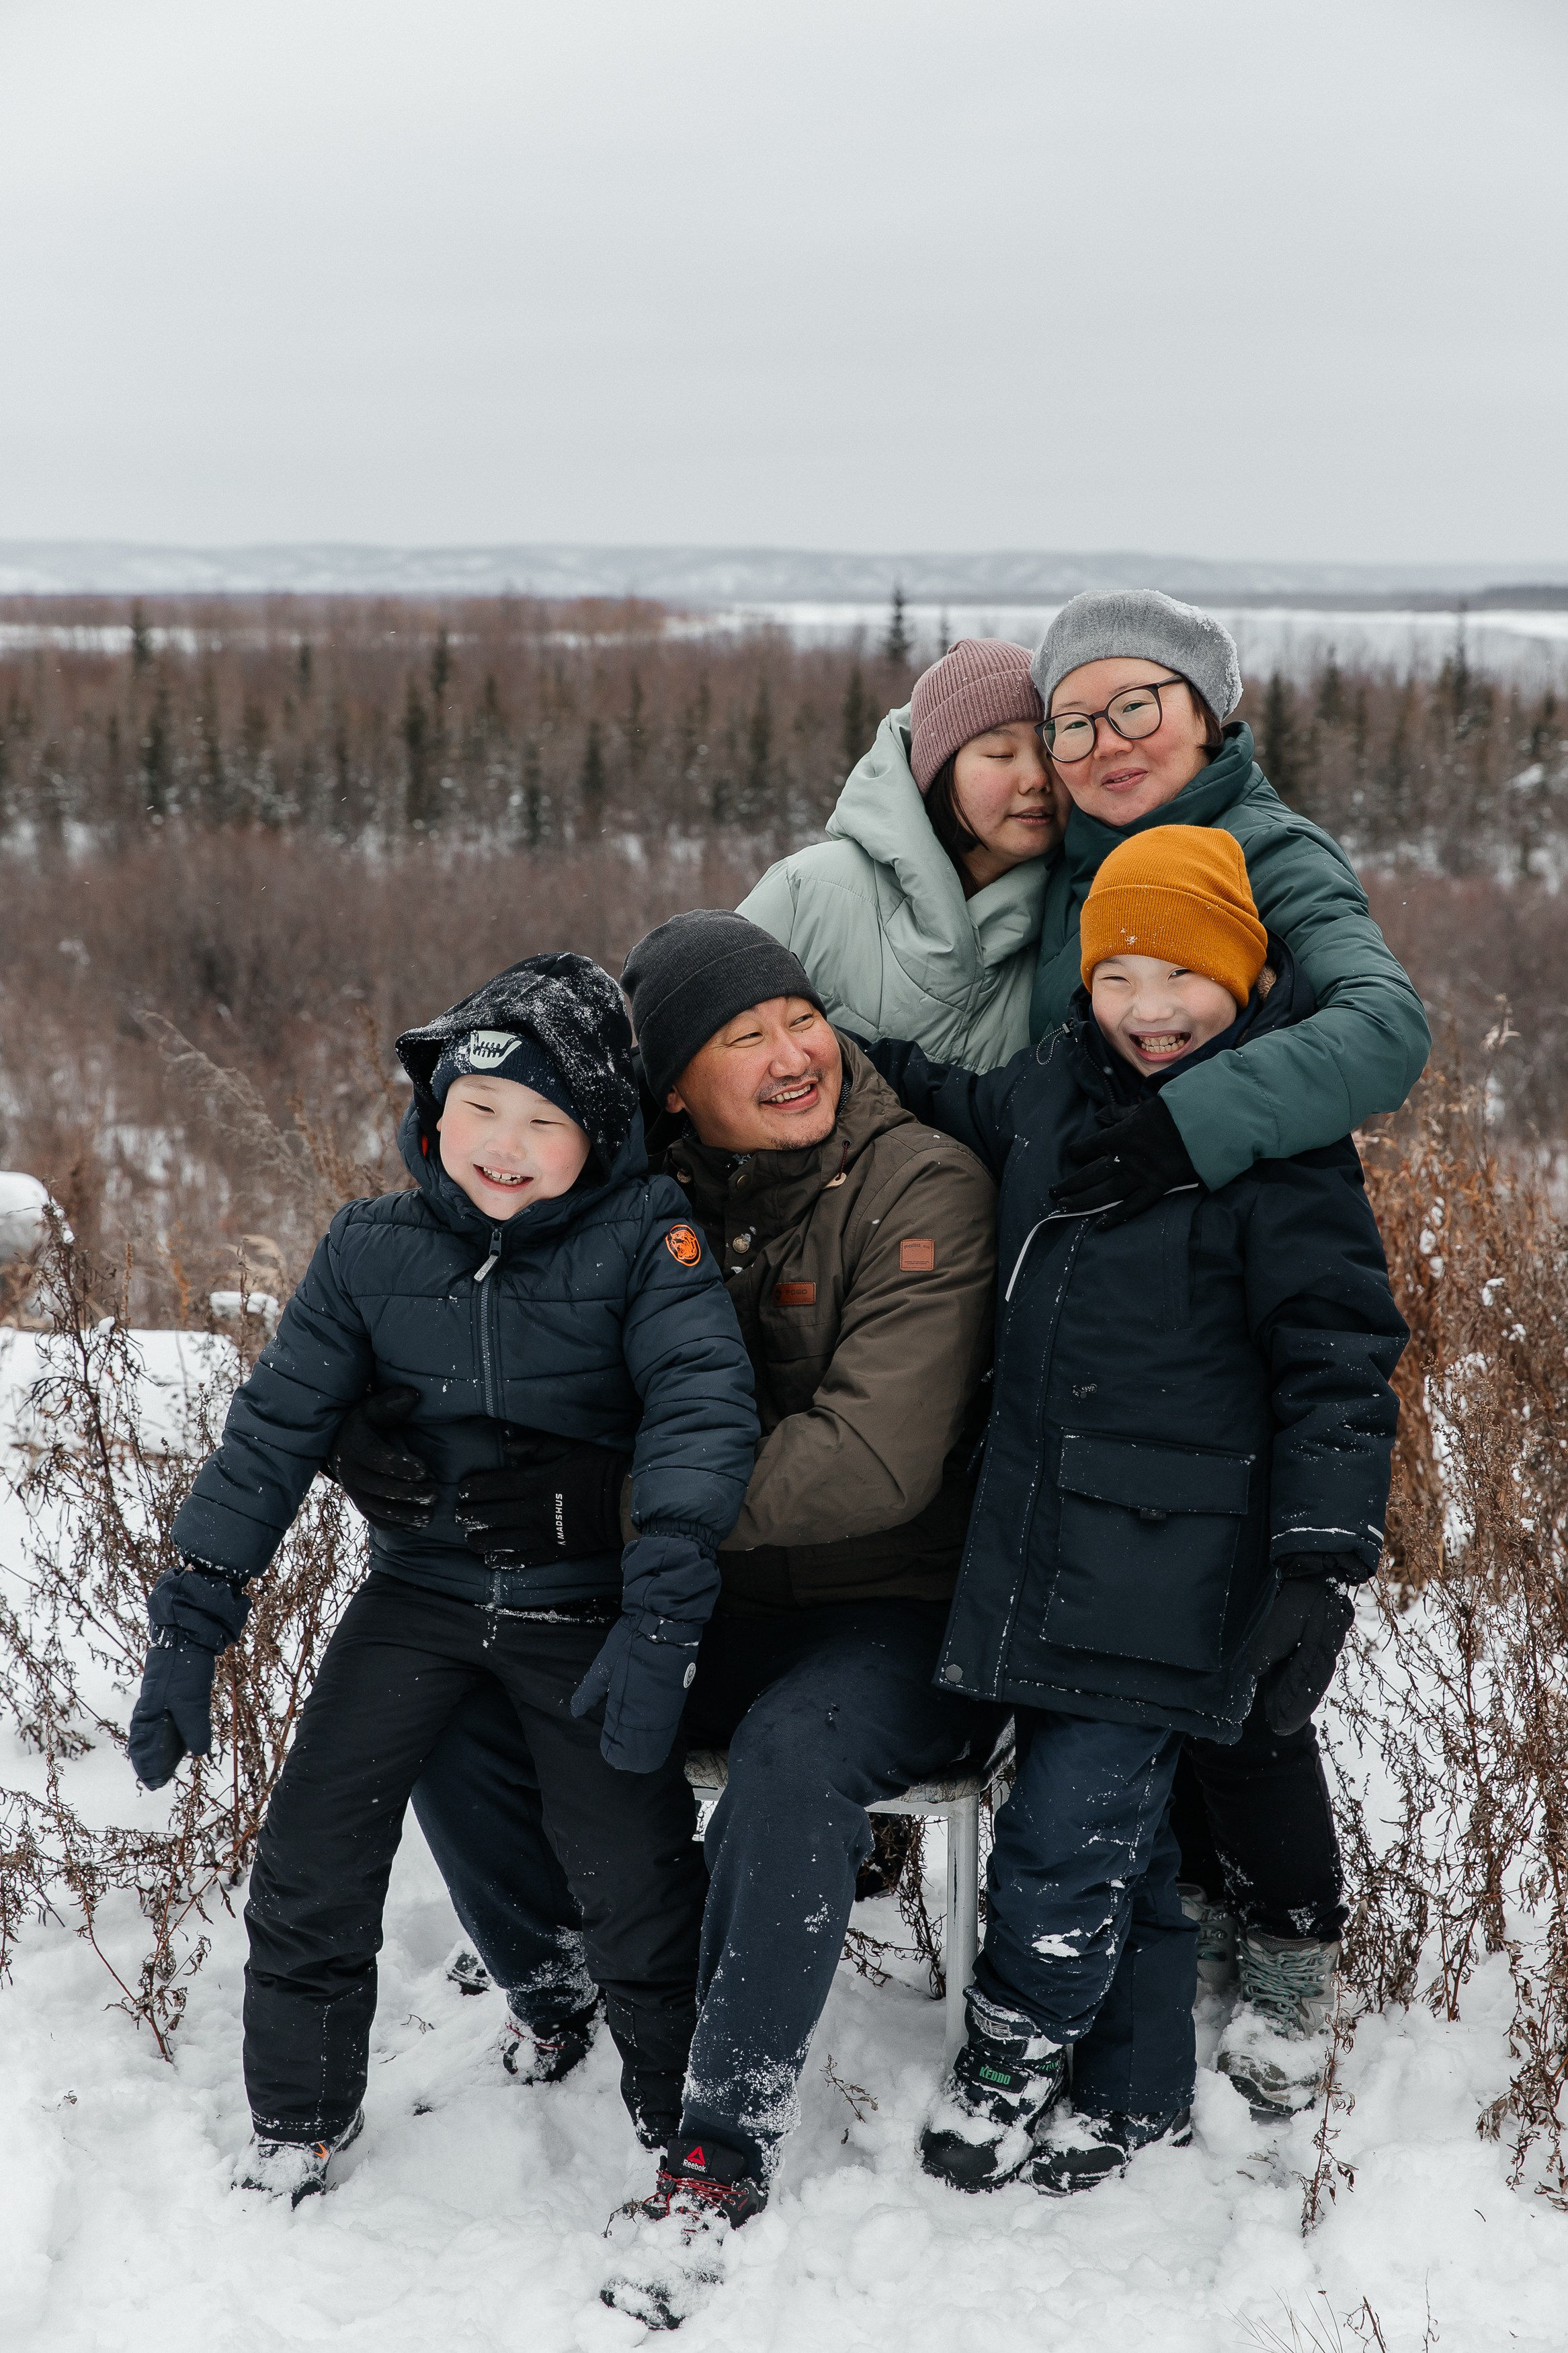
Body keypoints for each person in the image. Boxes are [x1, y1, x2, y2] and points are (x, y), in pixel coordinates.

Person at [329, 910, 1001, 2327]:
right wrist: (380, 1436)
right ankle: (558, 1979)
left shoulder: (916, 1183)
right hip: (702, 1595)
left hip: (893, 1607)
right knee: (459, 1684)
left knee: (790, 1754)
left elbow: (878, 1457)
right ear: (672, 1089)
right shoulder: (636, 1191)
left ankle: (721, 2131)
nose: (786, 1051)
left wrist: (616, 1504)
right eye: (735, 1039)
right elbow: (481, 1324)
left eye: (794, 1017)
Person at [124, 952, 759, 2203]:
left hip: (583, 1600)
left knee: (630, 1867)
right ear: (432, 1112)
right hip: (417, 1596)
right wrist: (191, 1621)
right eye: (480, 1110)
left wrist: (661, 1618)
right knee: (311, 1852)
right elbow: (271, 1430)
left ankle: (672, 2107)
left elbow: (701, 1414)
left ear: (601, 1133)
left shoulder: (650, 1237)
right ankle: (298, 2120)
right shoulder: (370, 1247)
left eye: (544, 1120)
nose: (505, 1146)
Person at [863, 825, 1407, 2194]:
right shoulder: (1051, 1087)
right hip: (1036, 1540)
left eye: (1184, 972)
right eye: (1118, 972)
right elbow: (941, 1096)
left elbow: (1335, 1355)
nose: (1149, 1003)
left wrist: (1319, 1556)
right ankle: (1135, 2084)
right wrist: (801, 1035)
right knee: (1120, 1838)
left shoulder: (1278, 1142)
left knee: (1064, 1829)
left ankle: (1009, 2051)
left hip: (1168, 1563)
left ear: (1242, 975)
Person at [738, 637, 1066, 1064]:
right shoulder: (809, 893)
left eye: (1051, 748)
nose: (1037, 778)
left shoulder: (1076, 920)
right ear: (939, 773)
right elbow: (709, 1049)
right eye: (1001, 753)